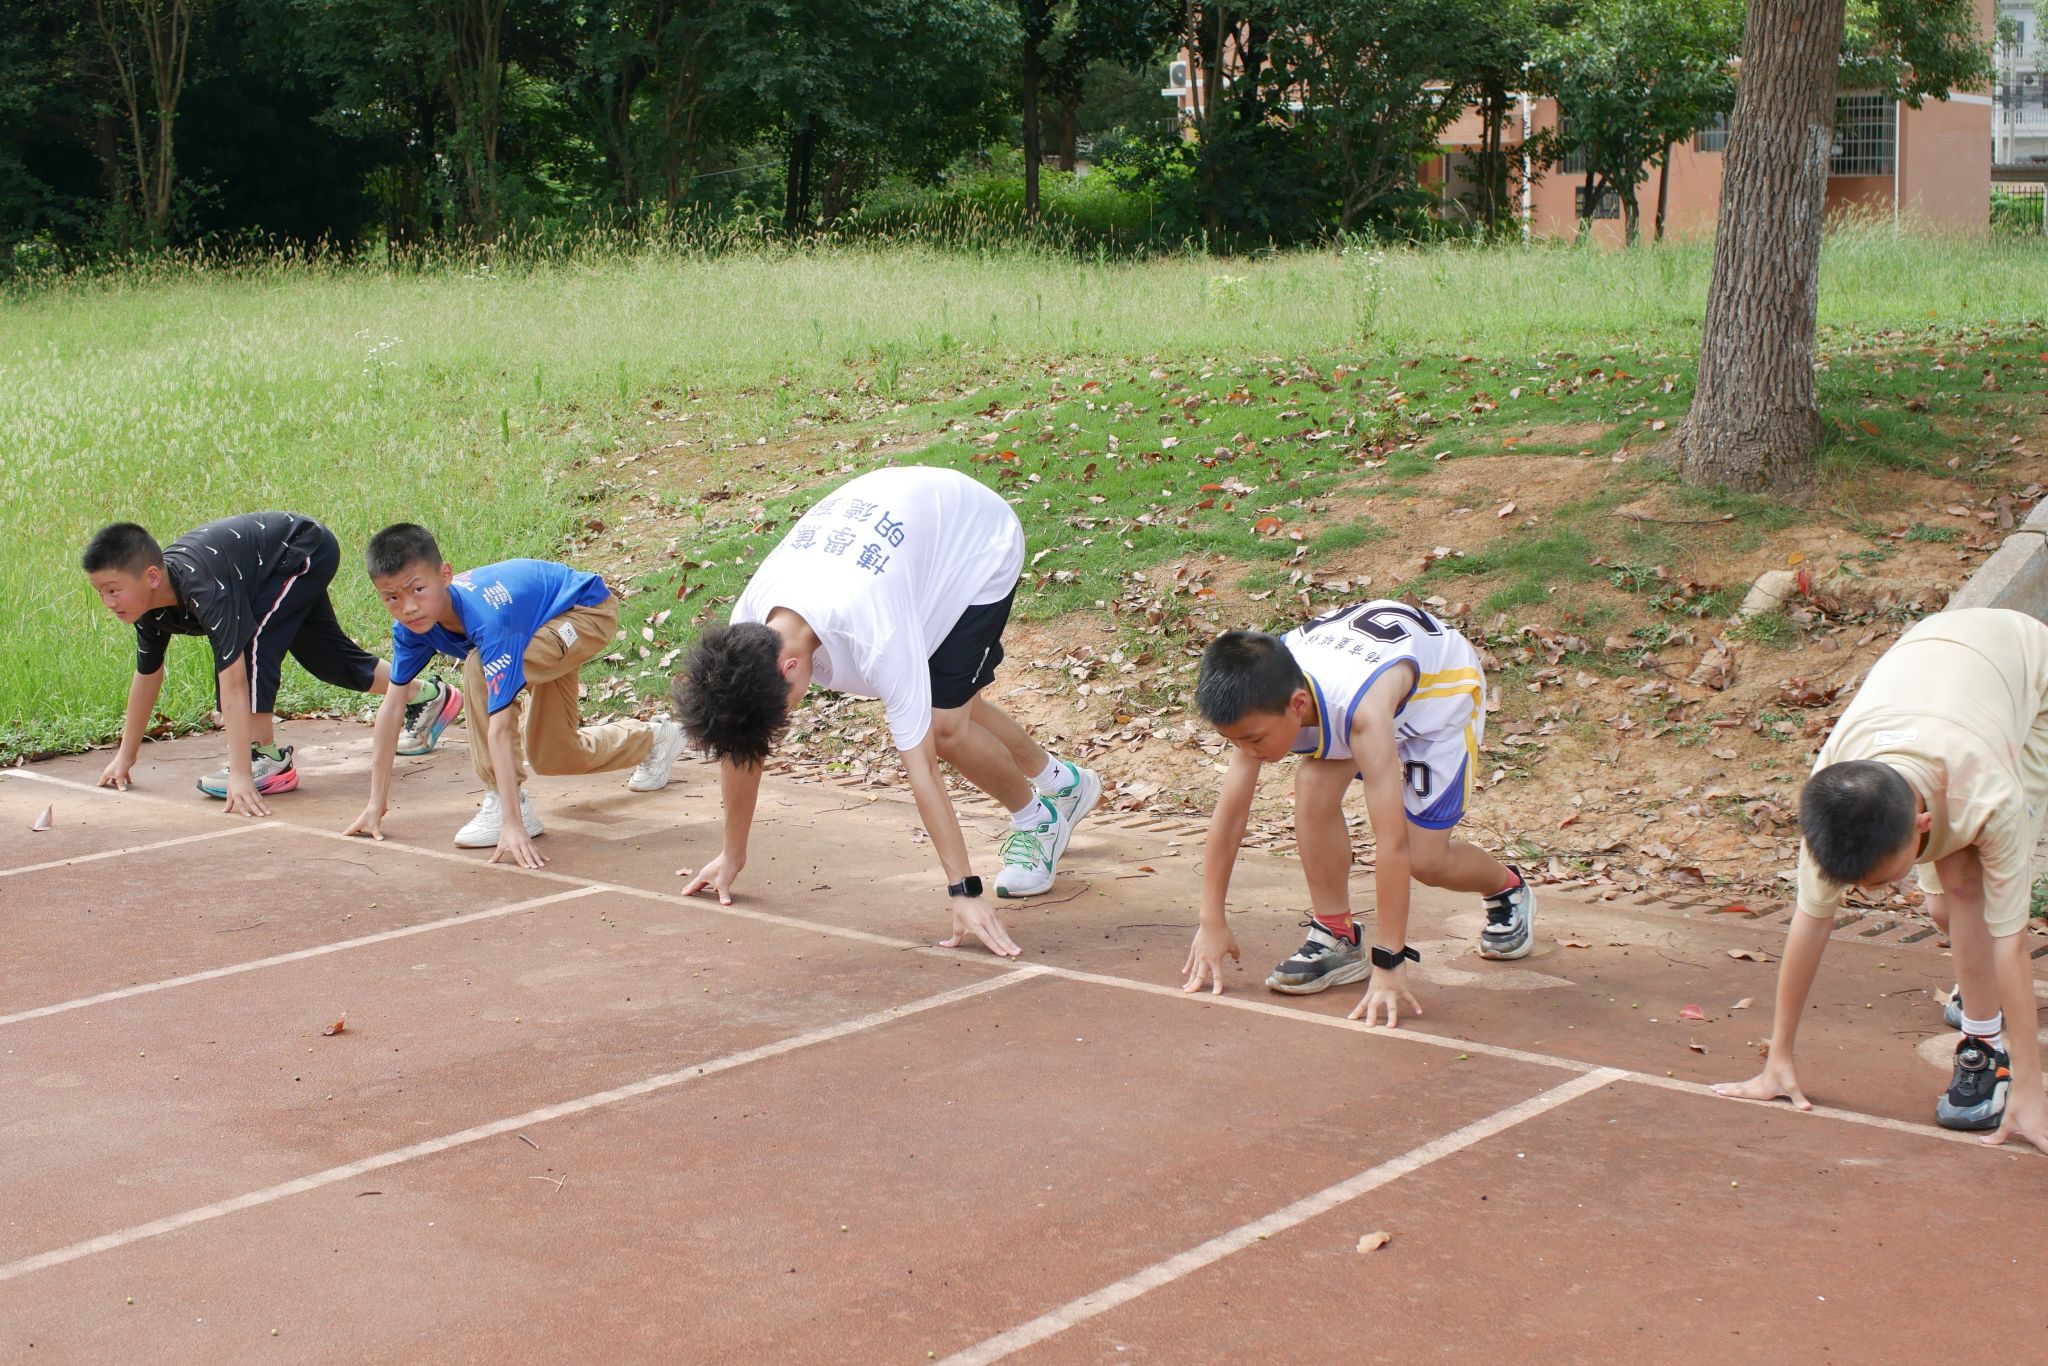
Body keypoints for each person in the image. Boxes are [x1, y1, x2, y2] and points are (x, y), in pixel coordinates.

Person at [670, 464, 1099, 957]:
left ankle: (1038, 817)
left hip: (976, 541)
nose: (783, 721)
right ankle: (1062, 782)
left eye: (780, 713)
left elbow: (923, 773)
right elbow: (742, 744)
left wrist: (965, 890)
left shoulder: (876, 638)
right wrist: (732, 852)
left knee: (943, 727)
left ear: (790, 667)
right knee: (951, 700)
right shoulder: (746, 631)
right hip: (908, 531)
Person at [1714, 608, 2048, 1153]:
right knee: (1946, 915)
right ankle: (1977, 987)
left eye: (1879, 880)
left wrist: (2033, 1093)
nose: (1864, 894)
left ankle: (1987, 1053)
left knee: (1968, 886)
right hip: (1937, 658)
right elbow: (1811, 918)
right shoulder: (1838, 792)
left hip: (2033, 678)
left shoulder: (1988, 795)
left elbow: (2013, 945)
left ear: (1922, 826)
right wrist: (1778, 1057)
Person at [1180, 599, 1535, 1022]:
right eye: (1235, 741)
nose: (1246, 751)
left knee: (1426, 859)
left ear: (1296, 706)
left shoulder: (1360, 714)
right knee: (1312, 783)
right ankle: (1337, 934)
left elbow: (1391, 842)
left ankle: (1507, 888)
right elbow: (1230, 816)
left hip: (1437, 698)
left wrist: (1390, 962)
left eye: (1253, 740)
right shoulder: (1261, 697)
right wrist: (1211, 920)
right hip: (1366, 683)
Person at [344, 524, 687, 866]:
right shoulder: (411, 629)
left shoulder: (489, 622)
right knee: (553, 755)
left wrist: (512, 822)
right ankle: (655, 739)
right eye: (392, 598)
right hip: (536, 625)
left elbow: (501, 725)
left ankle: (506, 802)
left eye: (418, 589)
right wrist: (377, 803)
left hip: (584, 614)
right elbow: (391, 708)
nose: (408, 608)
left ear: (445, 575)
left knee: (479, 667)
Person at [83, 514, 457, 814]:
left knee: (254, 641)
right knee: (327, 658)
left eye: (114, 590)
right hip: (270, 569)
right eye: (100, 592)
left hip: (301, 549)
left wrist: (241, 776)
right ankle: (425, 695)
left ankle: (263, 755)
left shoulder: (203, 590)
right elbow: (147, 675)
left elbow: (233, 679)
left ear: (151, 577)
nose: (108, 601)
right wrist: (124, 757)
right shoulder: (150, 611)